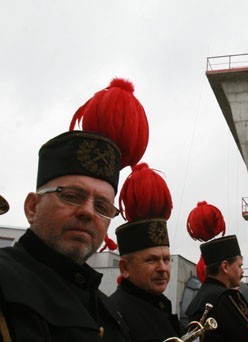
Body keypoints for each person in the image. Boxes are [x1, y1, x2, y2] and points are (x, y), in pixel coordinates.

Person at [0, 78, 149, 341]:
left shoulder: (107, 309)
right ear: (32, 207)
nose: (88, 212)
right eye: (71, 196)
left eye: (102, 206)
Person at [109, 163, 180, 341]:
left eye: (166, 259)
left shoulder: (157, 305)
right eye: (151, 260)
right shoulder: (113, 316)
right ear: (124, 268)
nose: (163, 267)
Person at [185, 235, 248, 342]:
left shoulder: (197, 300)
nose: (242, 272)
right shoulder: (228, 298)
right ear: (225, 267)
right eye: (239, 266)